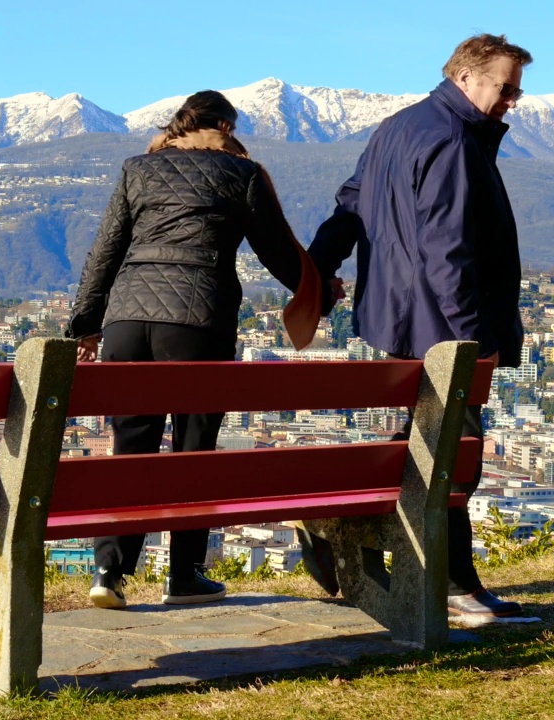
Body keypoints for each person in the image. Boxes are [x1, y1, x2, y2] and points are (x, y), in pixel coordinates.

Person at [307, 34, 533, 619]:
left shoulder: (396, 128)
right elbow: (447, 253)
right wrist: (470, 344)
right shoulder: (455, 141)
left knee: (426, 449)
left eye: (517, 89)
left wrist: (317, 270)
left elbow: (349, 205)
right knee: (458, 456)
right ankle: (455, 584)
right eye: (505, 87)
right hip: (441, 329)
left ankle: (348, 527)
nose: (513, 99)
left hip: (393, 320)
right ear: (465, 76)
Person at [68, 90, 322, 609]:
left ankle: (108, 572)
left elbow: (105, 250)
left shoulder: (138, 168)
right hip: (196, 318)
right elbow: (276, 249)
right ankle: (183, 574)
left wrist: (85, 326)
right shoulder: (241, 174)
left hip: (126, 317)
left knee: (129, 448)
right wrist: (317, 287)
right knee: (192, 447)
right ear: (226, 127)